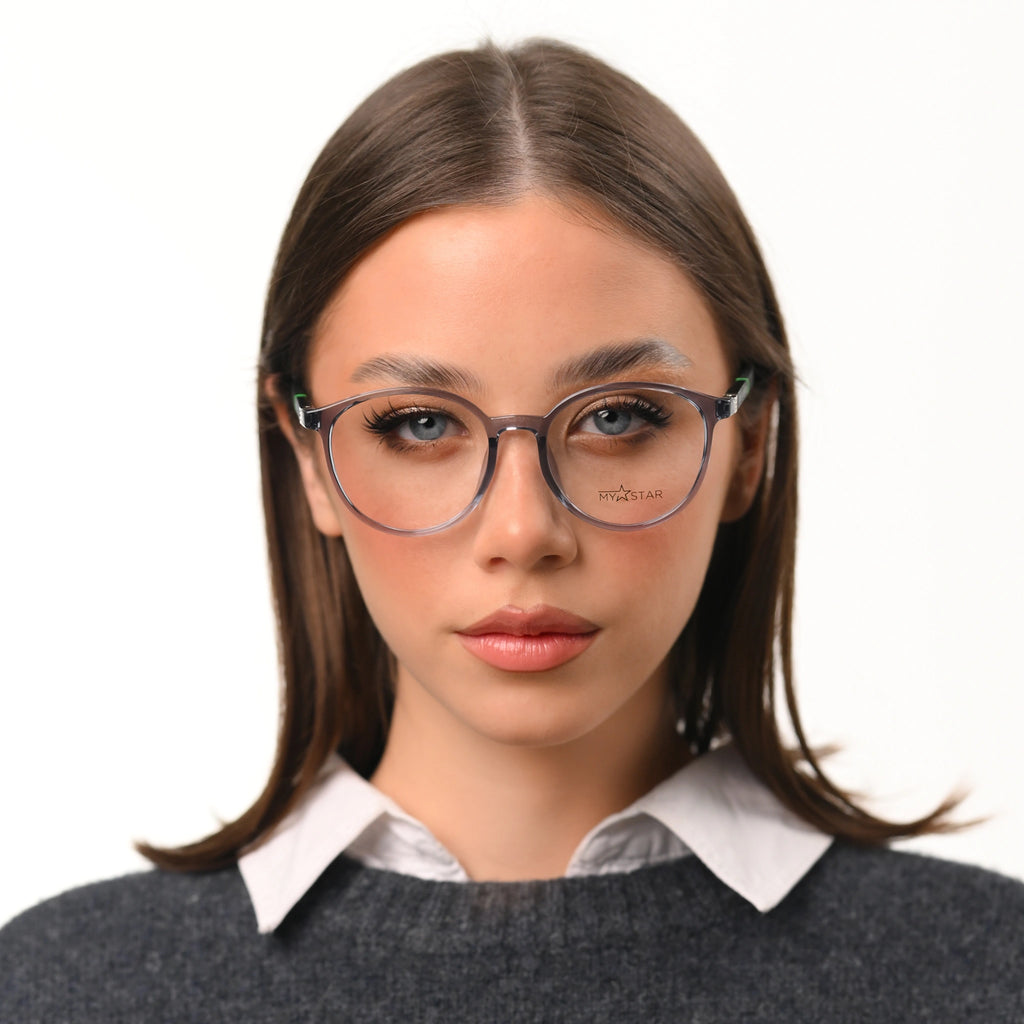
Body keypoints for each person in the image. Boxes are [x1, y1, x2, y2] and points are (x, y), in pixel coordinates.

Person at [2, 38, 1022, 1022]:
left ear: (746, 444)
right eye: (419, 425)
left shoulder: (985, 974)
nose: (524, 529)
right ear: (308, 454)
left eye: (619, 418)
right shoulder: (59, 992)